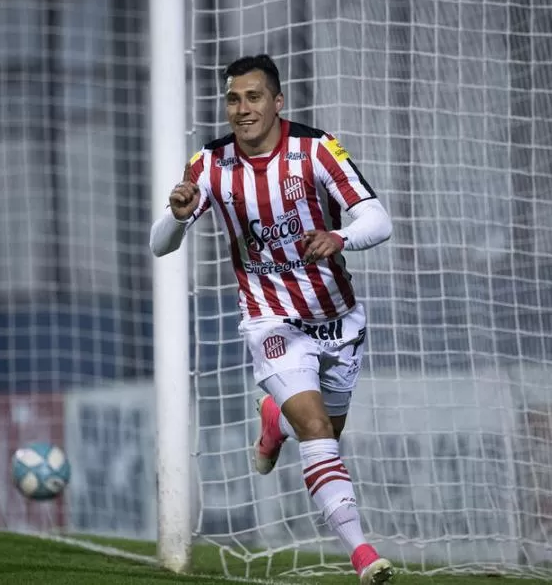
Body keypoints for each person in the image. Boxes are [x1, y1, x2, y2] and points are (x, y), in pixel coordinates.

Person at [149, 54, 394, 584]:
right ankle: (363, 555)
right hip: (270, 319)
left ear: (277, 102)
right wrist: (177, 214)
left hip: (337, 316)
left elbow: (378, 217)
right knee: (314, 427)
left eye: (253, 97)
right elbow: (159, 246)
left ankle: (272, 421)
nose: (242, 109)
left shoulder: (316, 149)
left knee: (326, 428)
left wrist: (340, 236)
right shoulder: (209, 165)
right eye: (233, 99)